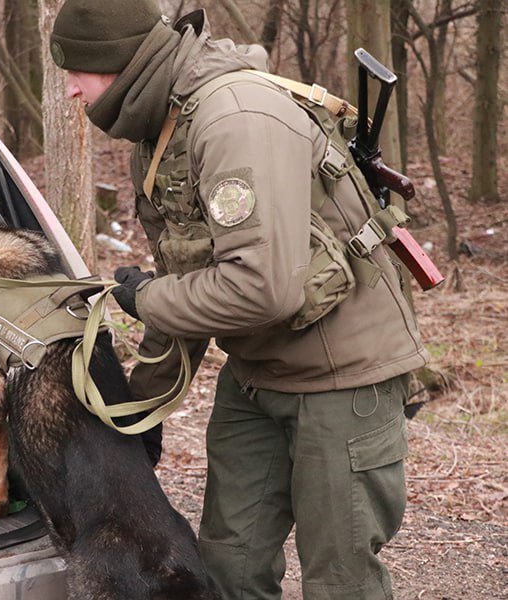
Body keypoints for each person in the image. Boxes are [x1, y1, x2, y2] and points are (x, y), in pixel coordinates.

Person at [48, 1, 430, 599]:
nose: (70, 90)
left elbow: (260, 287)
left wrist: (148, 300)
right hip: (258, 376)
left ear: (118, 61)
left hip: (344, 384)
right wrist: (133, 416)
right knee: (229, 567)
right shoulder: (164, 129)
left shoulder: (234, 119)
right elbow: (188, 277)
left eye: (75, 71)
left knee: (341, 580)